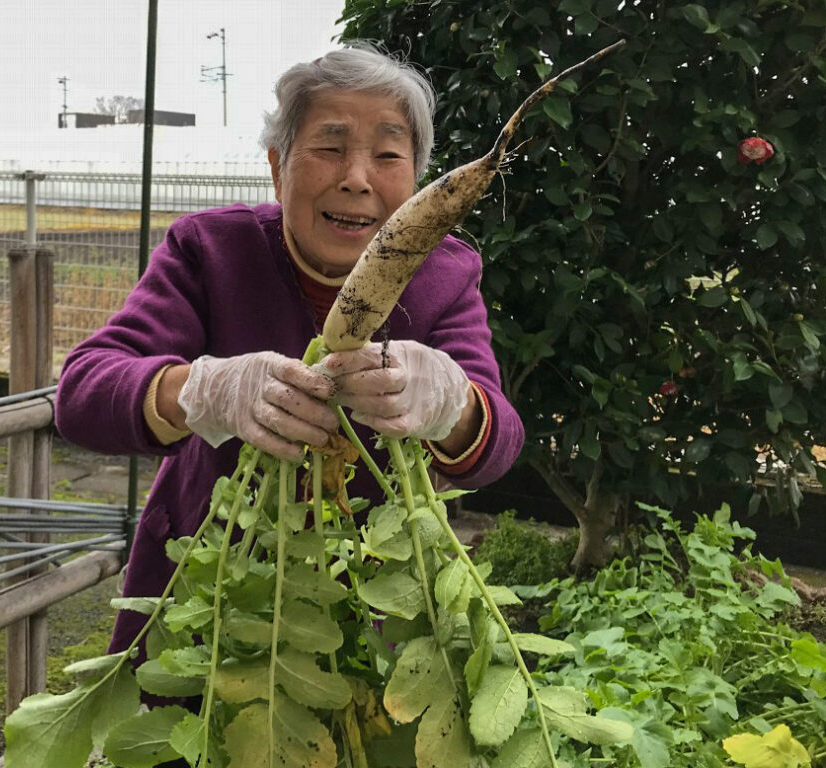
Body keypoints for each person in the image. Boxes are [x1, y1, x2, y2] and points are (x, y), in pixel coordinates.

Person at [55, 43, 525, 657]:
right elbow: (83, 392)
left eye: (387, 155)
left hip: (374, 605)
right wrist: (201, 391)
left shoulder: (445, 274)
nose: (356, 178)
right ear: (279, 167)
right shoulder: (211, 250)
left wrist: (450, 403)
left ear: (416, 182)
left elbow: (498, 441)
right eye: (329, 148)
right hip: (208, 595)